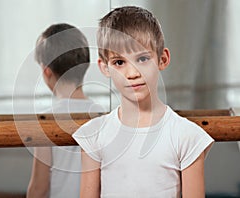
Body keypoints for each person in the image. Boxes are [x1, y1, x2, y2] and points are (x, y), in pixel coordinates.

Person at [72, 6, 214, 197]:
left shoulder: (187, 136)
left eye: (143, 58)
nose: (132, 74)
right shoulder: (93, 135)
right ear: (104, 67)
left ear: (162, 59)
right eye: (119, 62)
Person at [27, 23, 102, 198]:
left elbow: (39, 186)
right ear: (85, 66)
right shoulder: (102, 114)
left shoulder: (46, 119)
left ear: (46, 71)